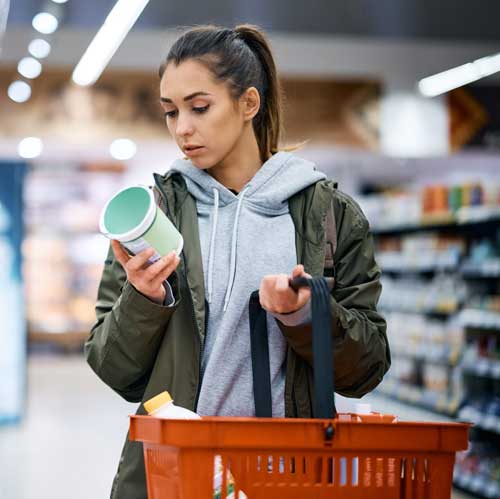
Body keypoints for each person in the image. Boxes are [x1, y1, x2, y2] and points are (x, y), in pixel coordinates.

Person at [85, 24, 390, 499]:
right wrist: (144, 298)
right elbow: (112, 368)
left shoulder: (328, 216)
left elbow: (367, 368)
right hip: (176, 475)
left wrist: (305, 315)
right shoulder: (155, 214)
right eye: (170, 112)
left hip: (287, 476)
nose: (182, 127)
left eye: (199, 107)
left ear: (249, 103)